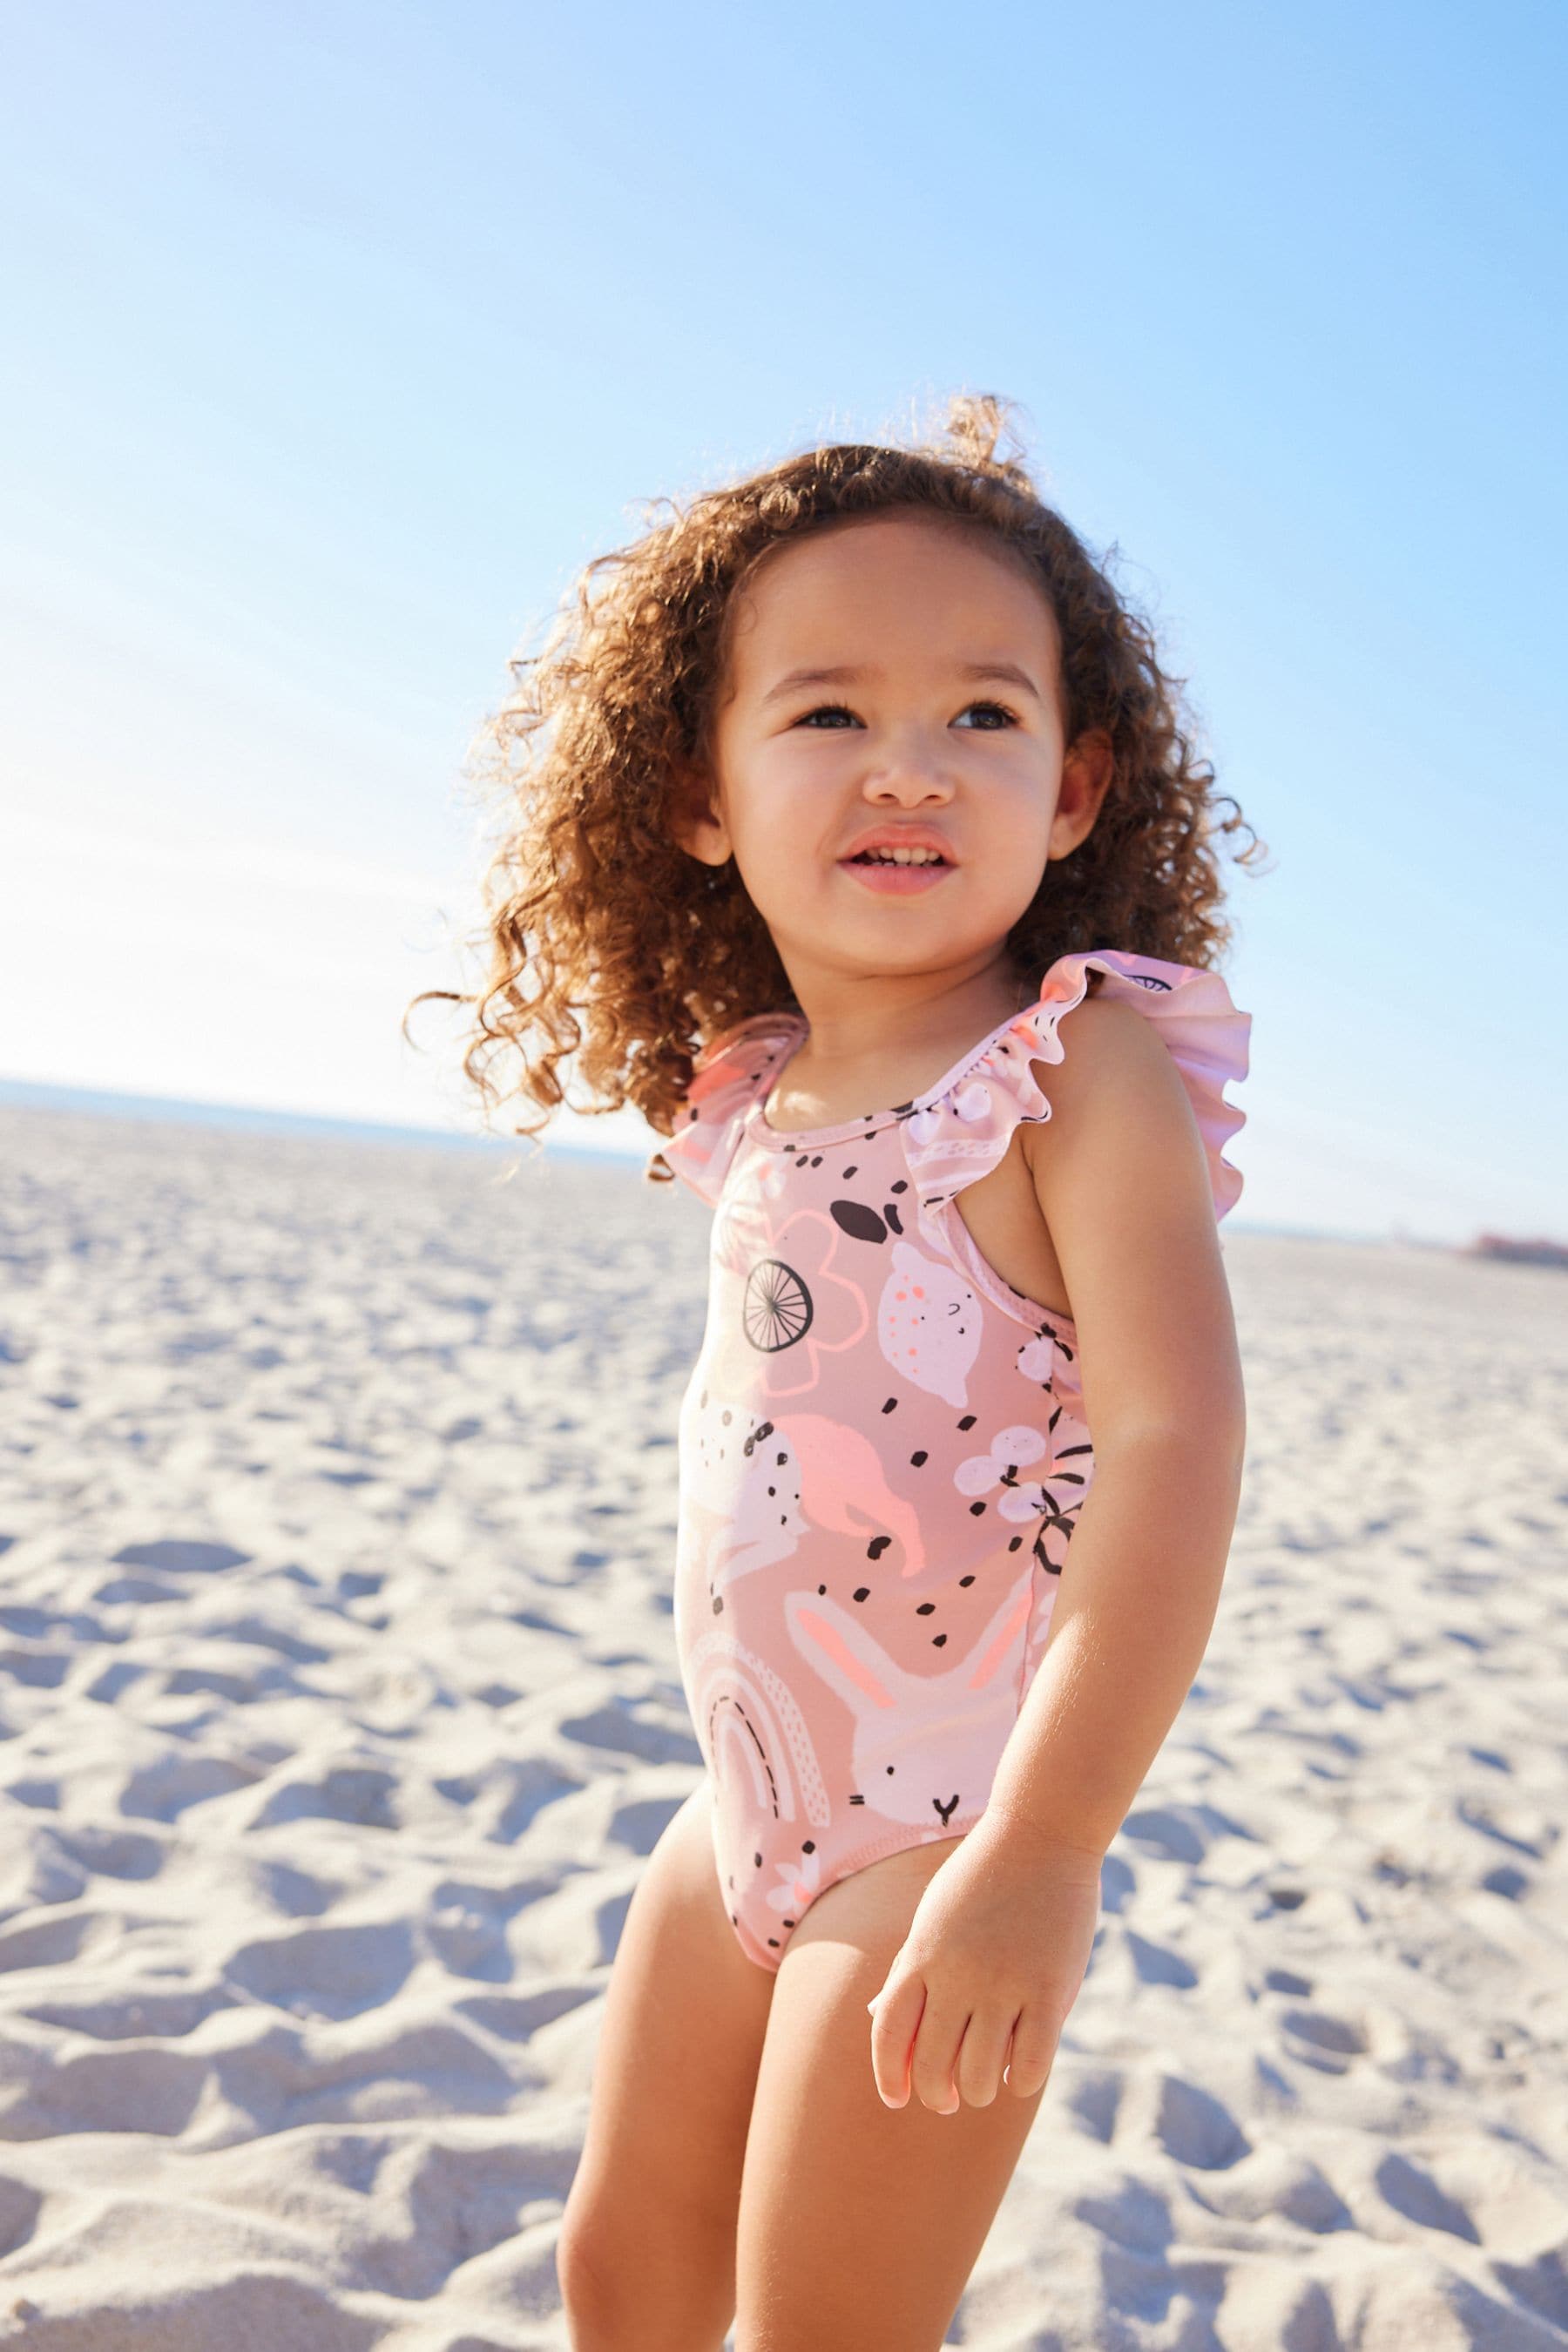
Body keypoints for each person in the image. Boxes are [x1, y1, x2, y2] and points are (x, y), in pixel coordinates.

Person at [420, 392, 1264, 2351]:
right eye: (826, 714)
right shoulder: (762, 1082)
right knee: (623, 2275)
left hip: (949, 1840)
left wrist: (1048, 1853)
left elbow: (1172, 1438)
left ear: (1074, 790)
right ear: (698, 796)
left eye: (984, 713)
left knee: (823, 2329)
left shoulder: (1074, 1069)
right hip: (744, 1808)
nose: (913, 764)